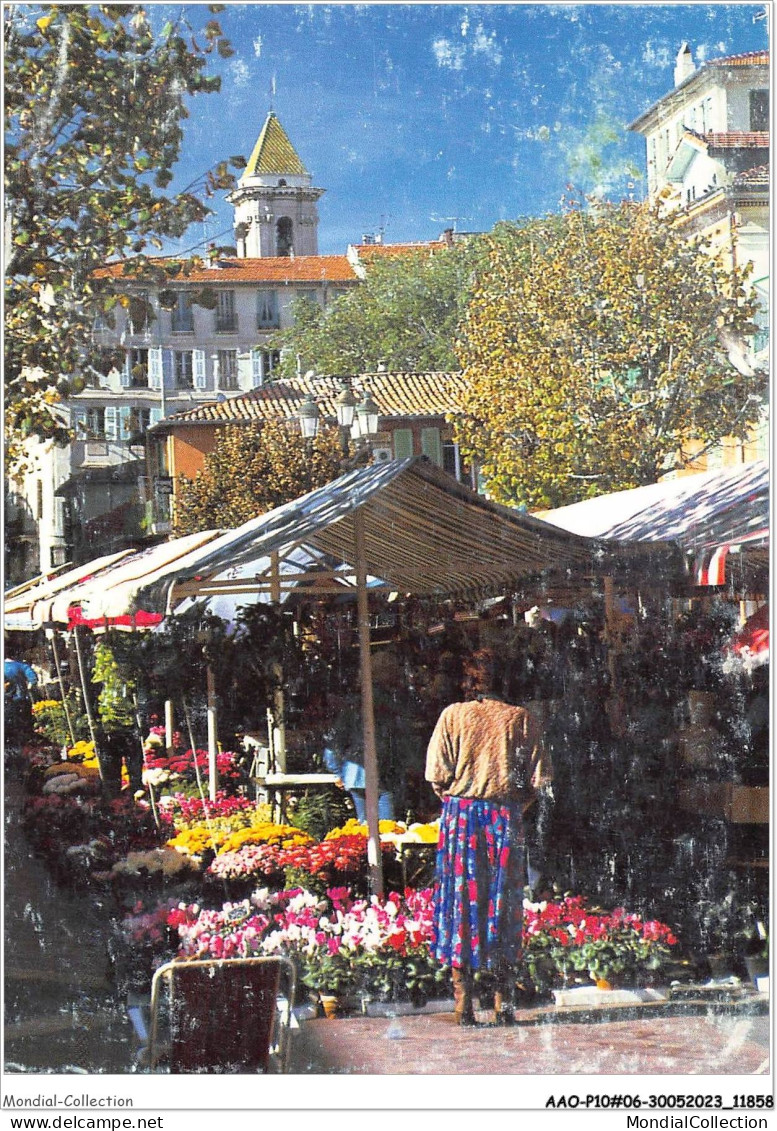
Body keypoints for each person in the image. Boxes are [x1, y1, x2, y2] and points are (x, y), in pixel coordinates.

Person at [425, 648, 553, 1026]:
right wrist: (512, 808)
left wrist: (462, 798)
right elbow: (539, 781)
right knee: (503, 905)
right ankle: (504, 1002)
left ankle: (463, 1005)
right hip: (504, 819)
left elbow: (437, 776)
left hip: (461, 819)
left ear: (469, 681)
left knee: (460, 905)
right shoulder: (521, 719)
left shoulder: (452, 716)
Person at [4, 649, 39, 743]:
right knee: (24, 722)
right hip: (22, 699)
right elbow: (33, 679)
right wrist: (29, 687)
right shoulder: (22, 666)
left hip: (6, 700)